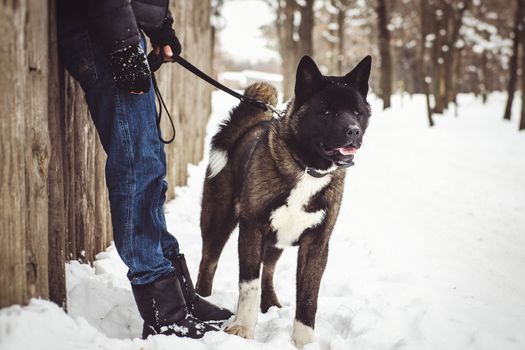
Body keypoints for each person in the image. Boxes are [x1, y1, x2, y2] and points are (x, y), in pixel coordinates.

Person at [56, 0, 232, 339]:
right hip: (104, 35)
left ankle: (178, 295)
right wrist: (123, 48)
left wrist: (160, 26)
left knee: (150, 162)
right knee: (136, 165)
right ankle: (162, 309)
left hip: (120, 31)